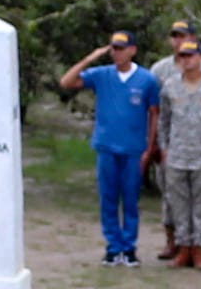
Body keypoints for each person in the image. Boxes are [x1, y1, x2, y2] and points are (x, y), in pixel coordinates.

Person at [59, 30, 160, 267]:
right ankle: (113, 247)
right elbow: (66, 82)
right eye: (114, 48)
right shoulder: (101, 75)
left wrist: (150, 146)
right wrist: (90, 58)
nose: (117, 53)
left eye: (122, 48)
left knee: (131, 199)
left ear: (132, 50)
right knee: (108, 199)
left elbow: (154, 113)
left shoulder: (146, 79)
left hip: (133, 148)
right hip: (107, 146)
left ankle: (129, 247)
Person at [148, 19, 201, 260]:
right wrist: (157, 144)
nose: (179, 41)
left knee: (200, 202)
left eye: (184, 35)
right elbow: (159, 113)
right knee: (172, 199)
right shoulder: (161, 71)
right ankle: (175, 243)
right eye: (175, 36)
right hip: (174, 149)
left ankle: (197, 249)